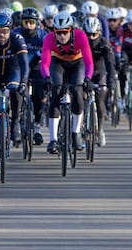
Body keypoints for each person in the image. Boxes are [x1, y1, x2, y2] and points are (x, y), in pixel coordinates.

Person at [40, 11, 94, 154]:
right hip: (58, 64)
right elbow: (45, 63)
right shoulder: (49, 39)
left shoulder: (81, 36)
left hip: (77, 64)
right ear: (54, 31)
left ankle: (76, 132)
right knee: (56, 93)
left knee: (77, 91)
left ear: (71, 30)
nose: (62, 36)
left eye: (65, 32)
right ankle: (53, 139)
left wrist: (88, 78)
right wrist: (46, 78)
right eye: (58, 32)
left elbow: (89, 62)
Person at [0, 13, 28, 172]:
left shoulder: (17, 39)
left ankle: (15, 122)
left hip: (12, 73)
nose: (1, 35)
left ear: (10, 30)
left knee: (15, 90)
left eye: (5, 31)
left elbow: (24, 65)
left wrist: (24, 82)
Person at [14, 7, 49, 145]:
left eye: (31, 22)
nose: (28, 25)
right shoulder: (16, 34)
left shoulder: (42, 35)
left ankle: (37, 128)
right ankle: (16, 122)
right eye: (26, 22)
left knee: (38, 97)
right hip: (20, 67)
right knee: (17, 95)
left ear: (37, 23)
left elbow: (46, 53)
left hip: (36, 67)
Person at [82, 17, 116, 146]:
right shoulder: (80, 43)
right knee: (80, 98)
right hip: (85, 73)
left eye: (94, 34)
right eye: (88, 34)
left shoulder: (104, 44)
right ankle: (81, 127)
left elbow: (110, 64)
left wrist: (111, 80)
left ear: (99, 33)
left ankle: (100, 130)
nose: (91, 38)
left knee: (100, 101)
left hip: (100, 73)